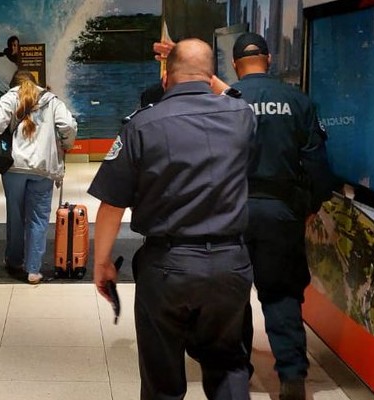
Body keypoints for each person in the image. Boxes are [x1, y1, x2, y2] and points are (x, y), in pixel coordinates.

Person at [88, 39, 256, 399]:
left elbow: (112, 205)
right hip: (231, 263)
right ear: (211, 76)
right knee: (228, 365)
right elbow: (236, 96)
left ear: (166, 79)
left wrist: (102, 262)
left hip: (167, 266)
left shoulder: (142, 125)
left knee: (162, 377)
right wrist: (209, 77)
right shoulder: (241, 116)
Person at [227, 32, 336, 400]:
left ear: (235, 64)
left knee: (233, 294)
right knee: (282, 294)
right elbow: (318, 165)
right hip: (281, 212)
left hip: (233, 211)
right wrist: (309, 206)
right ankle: (291, 376)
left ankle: (236, 373)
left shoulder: (226, 101)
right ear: (269, 59)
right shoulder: (298, 101)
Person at [0, 70, 77, 284]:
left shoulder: (9, 98)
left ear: (13, 83)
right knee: (38, 218)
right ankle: (33, 270)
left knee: (15, 215)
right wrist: (66, 144)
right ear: (36, 82)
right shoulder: (52, 101)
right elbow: (68, 126)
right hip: (43, 169)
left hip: (13, 167)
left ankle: (14, 260)